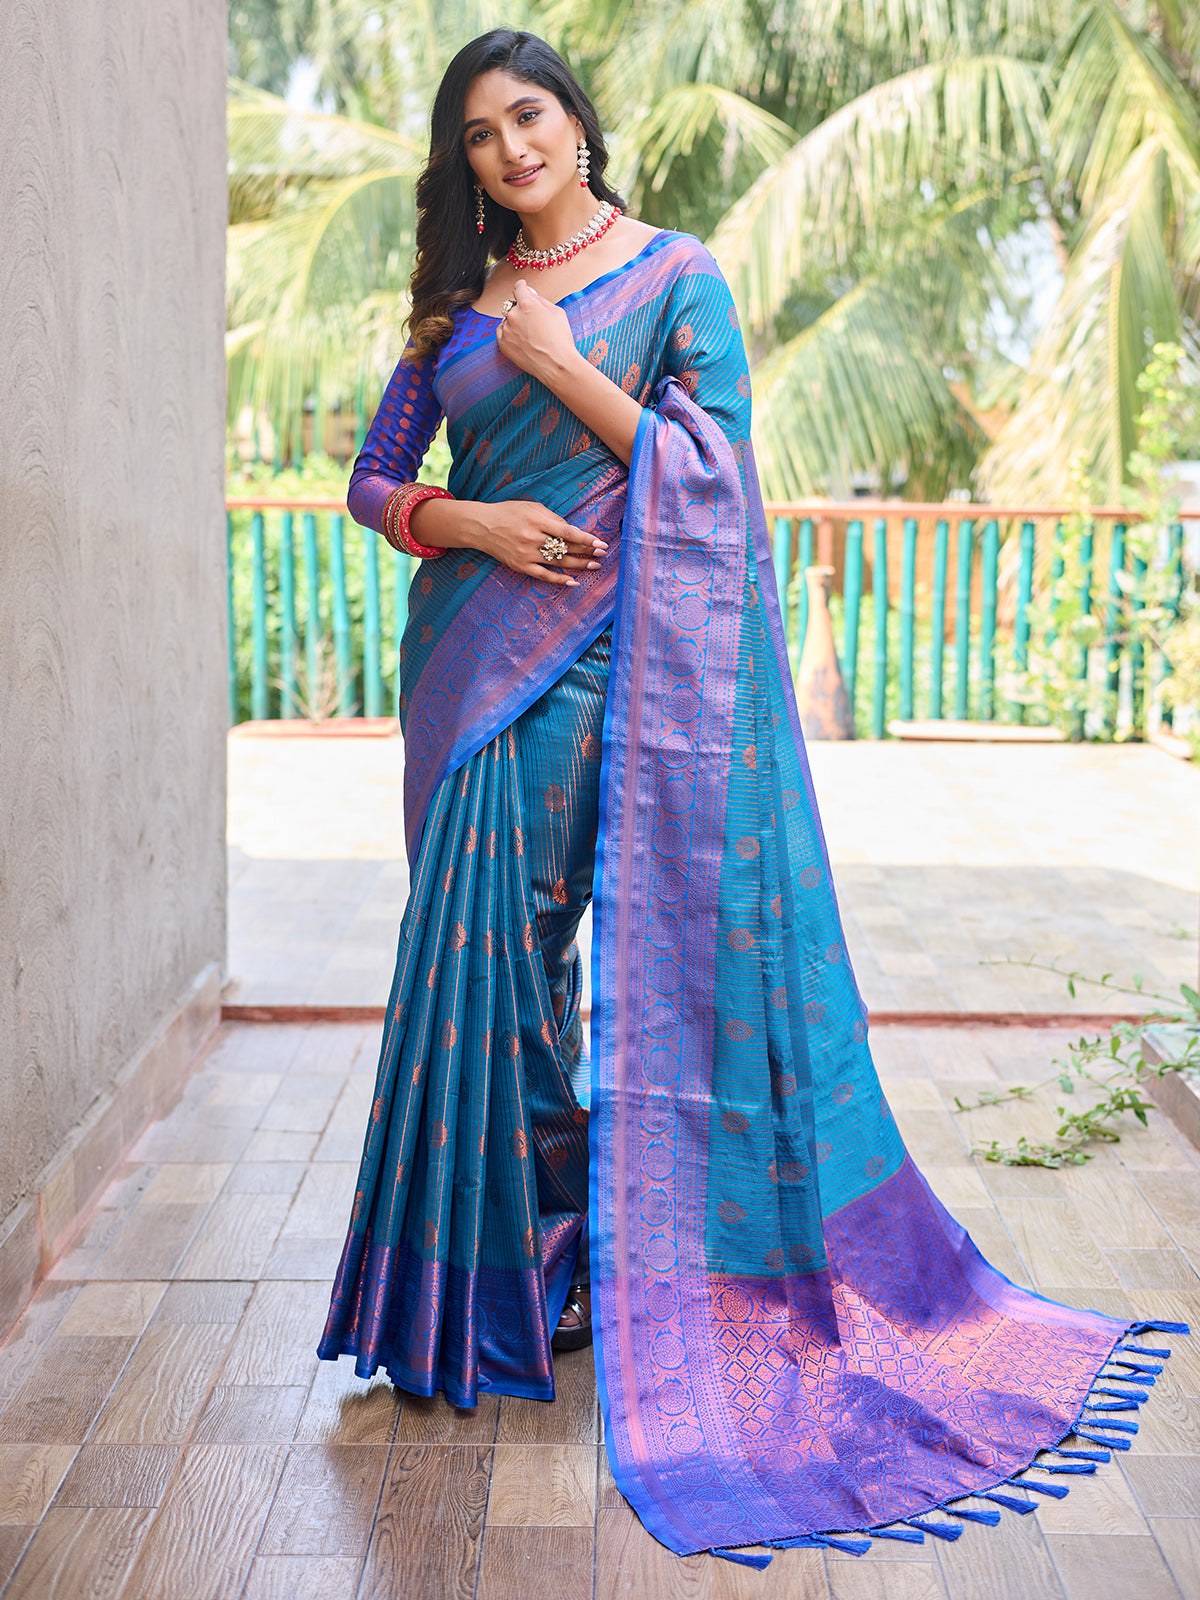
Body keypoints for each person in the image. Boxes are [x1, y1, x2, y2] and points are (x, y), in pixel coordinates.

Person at [319, 28, 1185, 1564]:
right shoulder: (455, 304)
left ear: (580, 123)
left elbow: (713, 471)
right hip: (466, 663)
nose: (511, 149)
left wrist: (561, 367)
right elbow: (374, 480)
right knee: (481, 966)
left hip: (606, 661)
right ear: (464, 165)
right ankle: (504, 1276)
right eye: (479, 135)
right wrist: (476, 521)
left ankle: (594, 1261)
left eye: (530, 116)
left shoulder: (676, 277)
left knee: (557, 952)